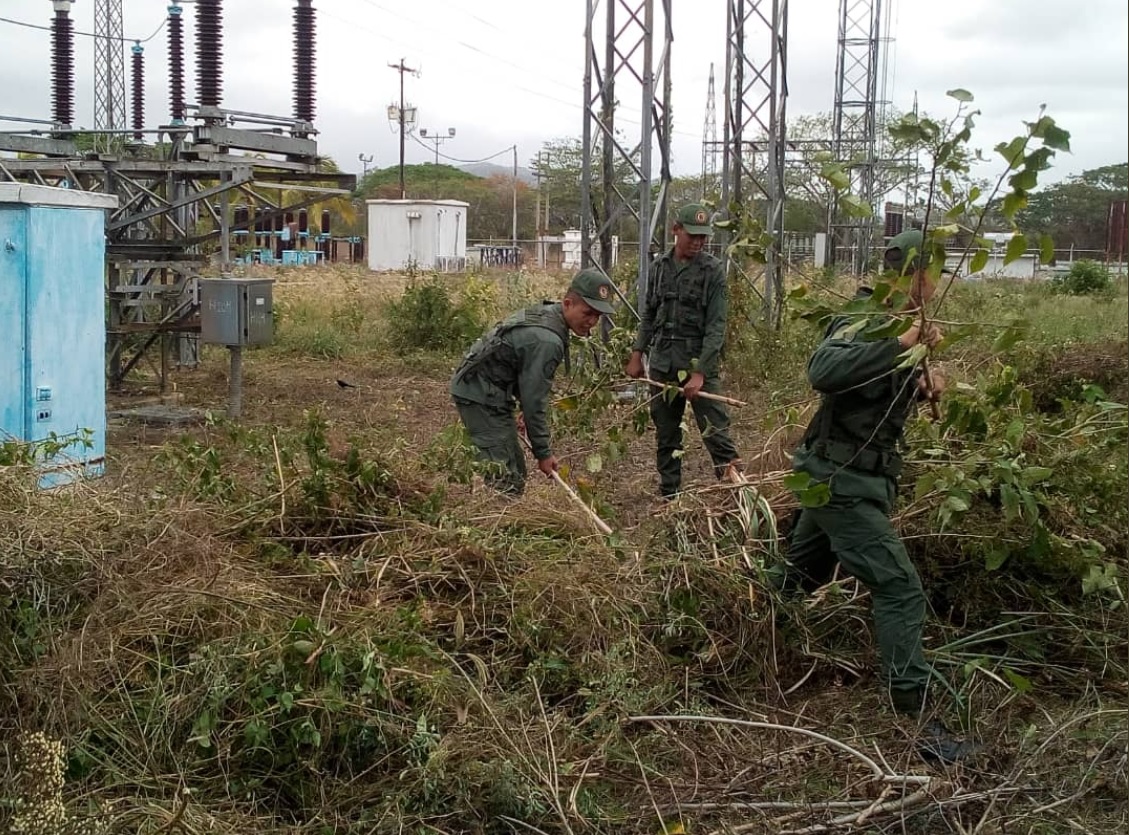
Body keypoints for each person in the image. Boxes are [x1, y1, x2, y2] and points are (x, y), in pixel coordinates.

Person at [771, 269, 976, 763]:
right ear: (910, 273)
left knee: (796, 577)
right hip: (840, 483)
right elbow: (825, 372)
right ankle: (919, 720)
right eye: (931, 275)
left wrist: (923, 383)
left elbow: (874, 389)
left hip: (847, 479)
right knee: (899, 590)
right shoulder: (864, 317)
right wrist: (904, 340)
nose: (935, 287)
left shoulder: (898, 321)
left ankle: (734, 642)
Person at [450, 269, 615, 495]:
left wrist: (524, 410)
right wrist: (544, 453)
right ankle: (496, 522)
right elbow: (534, 402)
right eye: (588, 313)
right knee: (505, 476)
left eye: (598, 316)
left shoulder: (551, 315)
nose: (593, 322)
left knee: (515, 467)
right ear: (567, 303)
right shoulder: (548, 340)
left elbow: (521, 367)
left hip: (493, 390)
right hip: (479, 393)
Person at [625, 203, 742, 500]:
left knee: (716, 432)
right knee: (667, 435)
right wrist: (638, 354)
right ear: (676, 230)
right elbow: (649, 314)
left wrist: (700, 372)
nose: (698, 242)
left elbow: (717, 327)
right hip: (664, 363)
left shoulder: (712, 271)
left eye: (703, 237)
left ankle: (737, 495)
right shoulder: (659, 268)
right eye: (692, 236)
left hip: (697, 363)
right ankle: (670, 498)